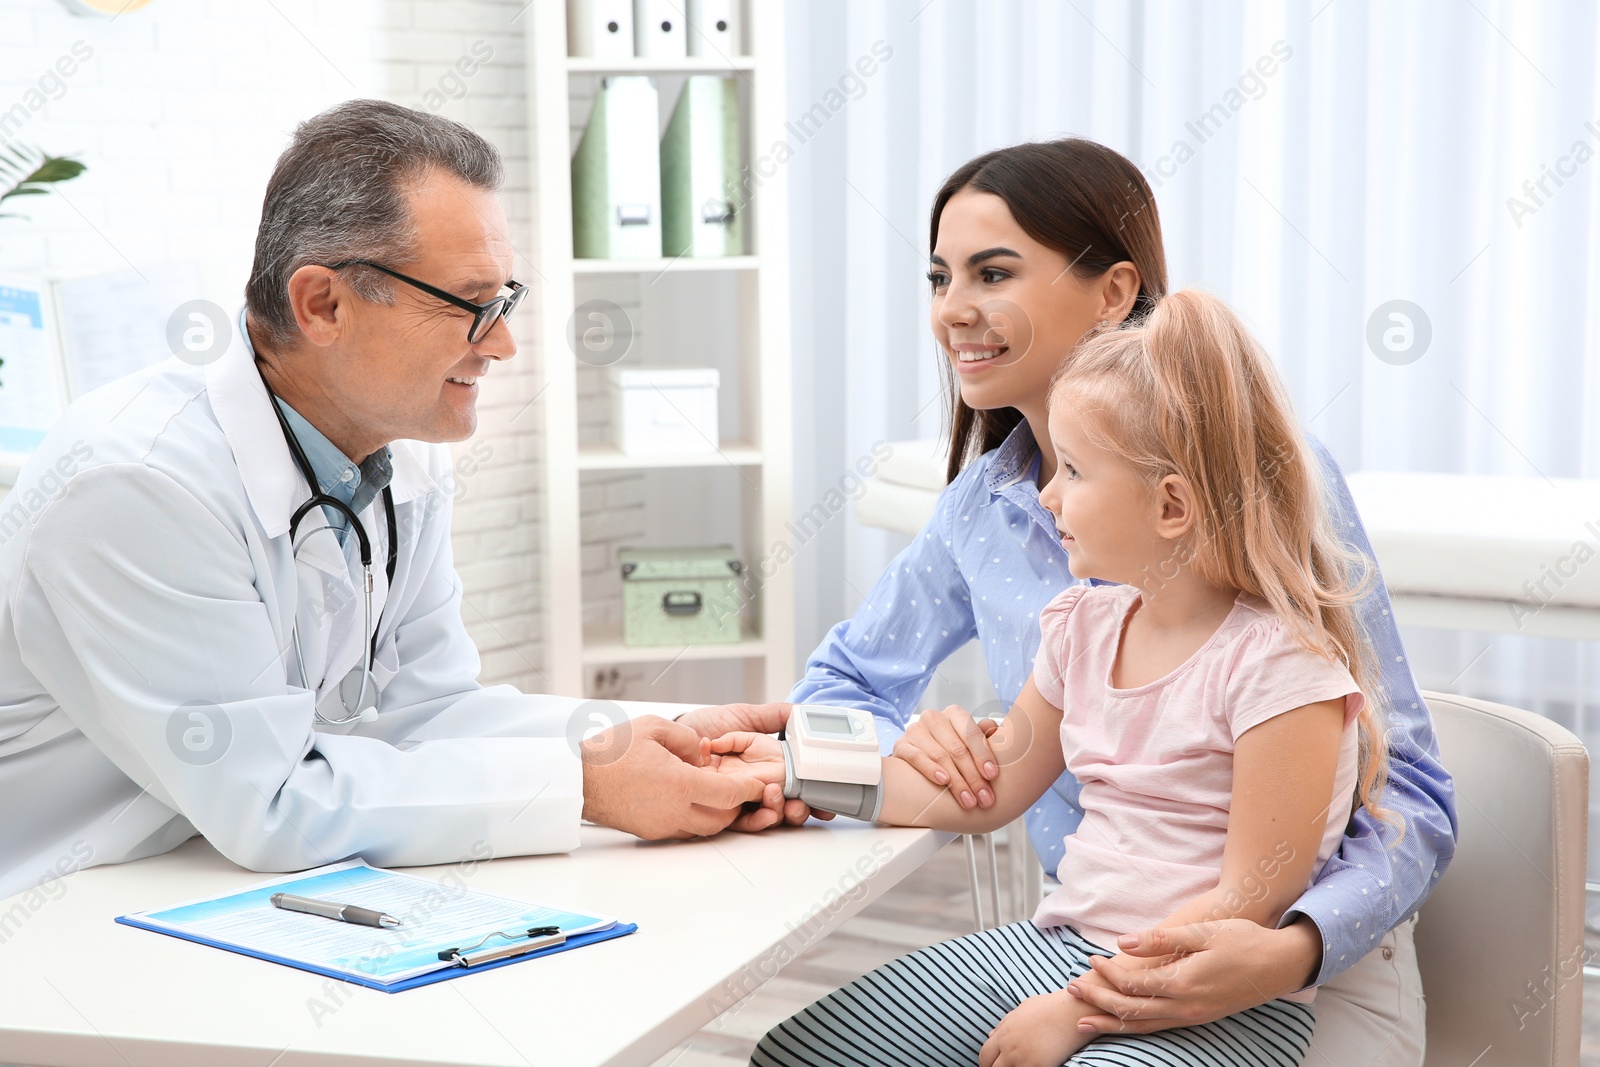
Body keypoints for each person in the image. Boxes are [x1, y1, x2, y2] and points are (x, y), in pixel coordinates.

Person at [0, 99, 804, 903]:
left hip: (192, 868)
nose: (502, 343)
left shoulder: (395, 461)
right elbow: (271, 801)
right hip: (55, 906)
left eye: (505, 299)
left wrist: (624, 740)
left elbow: (433, 708)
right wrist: (588, 785)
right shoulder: (137, 484)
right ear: (322, 304)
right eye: (468, 304)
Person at [787, 140, 1455, 1060]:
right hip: (1076, 935)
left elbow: (1407, 791)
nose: (953, 310)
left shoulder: (1271, 487)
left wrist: (1288, 948)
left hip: (1288, 963)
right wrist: (858, 751)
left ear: (1113, 292)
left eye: (993, 272)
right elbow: (847, 686)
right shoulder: (987, 516)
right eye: (940, 277)